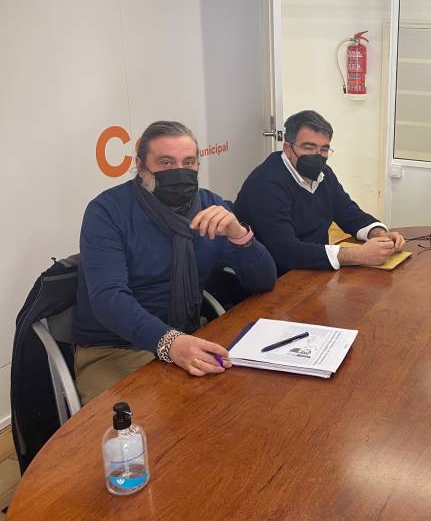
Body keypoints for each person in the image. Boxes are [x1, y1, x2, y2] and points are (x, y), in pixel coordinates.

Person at [73, 121, 277, 403]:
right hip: (117, 347)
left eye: (188, 162)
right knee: (145, 434)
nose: (179, 171)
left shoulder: (209, 207)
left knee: (246, 402)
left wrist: (239, 234)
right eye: (166, 162)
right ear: (141, 165)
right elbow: (108, 299)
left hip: (190, 331)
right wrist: (171, 343)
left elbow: (265, 280)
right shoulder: (107, 211)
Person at [234, 110, 406, 277]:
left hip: (313, 271)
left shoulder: (324, 175)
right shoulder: (266, 183)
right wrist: (358, 255)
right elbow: (286, 252)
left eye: (324, 150)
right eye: (309, 148)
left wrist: (379, 234)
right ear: (287, 147)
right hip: (274, 280)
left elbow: (348, 213)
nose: (317, 156)